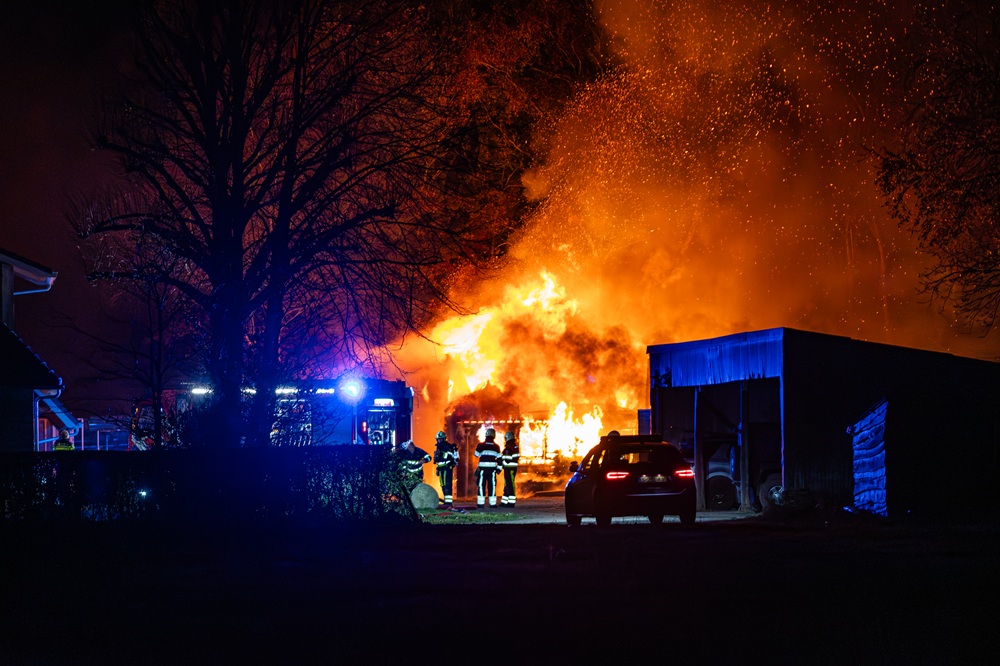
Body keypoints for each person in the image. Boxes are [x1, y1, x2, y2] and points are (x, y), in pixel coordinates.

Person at [474, 427, 501, 508]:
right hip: (492, 470)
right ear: (494, 436)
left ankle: (480, 503)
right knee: (492, 486)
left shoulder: (481, 445)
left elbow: (476, 454)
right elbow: (499, 459)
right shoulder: (497, 446)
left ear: (486, 435)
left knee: (481, 485)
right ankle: (492, 504)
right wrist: (499, 469)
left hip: (482, 470)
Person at [433, 430, 459, 506]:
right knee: (443, 485)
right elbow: (438, 460)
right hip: (441, 468)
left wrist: (441, 454)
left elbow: (450, 456)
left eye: (441, 439)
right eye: (438, 439)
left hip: (447, 468)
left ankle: (448, 502)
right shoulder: (438, 448)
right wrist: (437, 468)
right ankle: (446, 500)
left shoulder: (448, 446)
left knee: (447, 485)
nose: (439, 441)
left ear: (444, 439)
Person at [499, 430, 520, 506]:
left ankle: (511, 502)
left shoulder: (513, 447)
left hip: (511, 469)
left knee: (510, 485)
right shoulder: (508, 447)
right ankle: (504, 502)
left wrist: (503, 462)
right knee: (507, 485)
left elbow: (512, 458)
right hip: (507, 469)